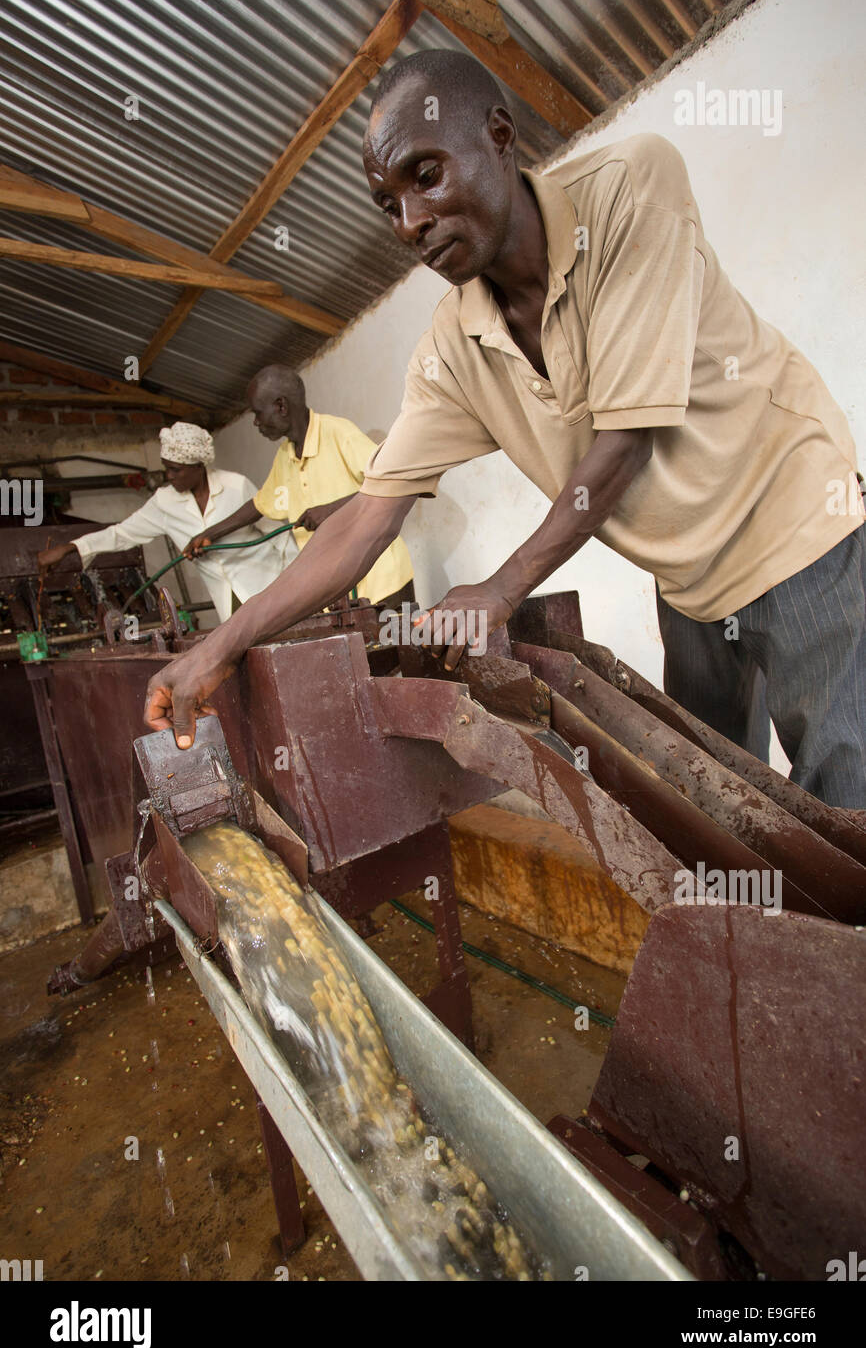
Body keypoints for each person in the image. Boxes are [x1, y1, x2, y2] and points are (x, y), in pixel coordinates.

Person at [144, 51, 866, 814]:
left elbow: (625, 443)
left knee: (850, 798)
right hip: (689, 587)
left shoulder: (628, 190)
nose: (412, 222)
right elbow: (364, 519)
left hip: (795, 529)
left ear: (498, 135)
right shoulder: (454, 347)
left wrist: (502, 586)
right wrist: (214, 651)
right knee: (722, 804)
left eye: (425, 176)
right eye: (387, 205)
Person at [184, 366, 414, 611]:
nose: (255, 422)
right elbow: (258, 505)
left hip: (383, 582)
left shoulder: (337, 432)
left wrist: (332, 509)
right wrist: (209, 535)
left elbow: (395, 480)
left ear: (281, 406)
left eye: (258, 413)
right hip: (335, 593)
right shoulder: (285, 455)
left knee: (401, 647)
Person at [38, 422, 287, 622]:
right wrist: (70, 548)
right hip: (230, 604)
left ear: (198, 466)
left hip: (272, 586)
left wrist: (305, 582)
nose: (169, 476)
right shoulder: (165, 502)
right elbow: (122, 533)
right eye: (166, 468)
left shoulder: (236, 485)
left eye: (176, 469)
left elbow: (279, 534)